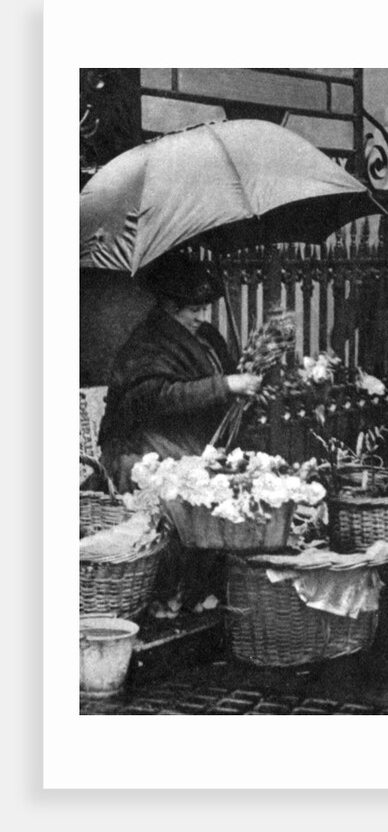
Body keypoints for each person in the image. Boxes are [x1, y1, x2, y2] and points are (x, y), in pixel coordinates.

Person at [98, 252, 261, 611]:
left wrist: (241, 390)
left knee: (228, 481)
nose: (202, 317)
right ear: (169, 306)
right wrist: (225, 385)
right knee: (184, 491)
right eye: (193, 310)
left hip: (194, 441)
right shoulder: (146, 343)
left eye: (205, 308)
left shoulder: (208, 338)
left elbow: (224, 381)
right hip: (143, 445)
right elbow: (154, 398)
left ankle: (202, 589)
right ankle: (171, 594)